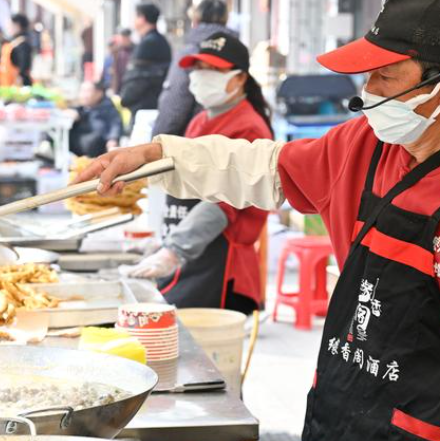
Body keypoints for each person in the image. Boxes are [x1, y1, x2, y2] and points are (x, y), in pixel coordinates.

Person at [75, 0, 440, 438]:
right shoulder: (362, 144)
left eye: (386, 76)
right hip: (342, 402)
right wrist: (156, 155)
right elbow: (263, 167)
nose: (370, 91)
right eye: (368, 74)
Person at [120, 33, 273, 314]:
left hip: (220, 262)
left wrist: (174, 250)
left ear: (240, 78)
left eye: (213, 69)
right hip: (190, 253)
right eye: (198, 68)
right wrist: (164, 240)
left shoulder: (249, 128)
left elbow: (224, 203)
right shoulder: (200, 120)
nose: (202, 76)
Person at [152, 0, 236, 137]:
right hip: (228, 135)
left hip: (192, 139)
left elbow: (175, 102)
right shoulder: (236, 53)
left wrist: (159, 139)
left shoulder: (190, 52)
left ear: (195, 20)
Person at [120, 4, 171, 124]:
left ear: (142, 19)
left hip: (144, 107)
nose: (133, 20)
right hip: (151, 104)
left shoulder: (149, 43)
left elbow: (138, 78)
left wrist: (125, 98)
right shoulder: (158, 40)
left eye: (135, 17)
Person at [68, 81, 122, 158]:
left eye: (87, 91)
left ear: (99, 93)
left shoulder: (107, 107)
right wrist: (72, 112)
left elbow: (115, 124)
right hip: (77, 147)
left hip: (97, 147)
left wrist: (113, 139)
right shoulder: (80, 109)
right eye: (82, 91)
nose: (83, 95)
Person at [0, 14, 32, 87]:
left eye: (10, 25)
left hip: (17, 85)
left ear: (17, 26)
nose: (8, 28)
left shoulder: (22, 44)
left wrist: (20, 77)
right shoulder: (12, 42)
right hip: (7, 84)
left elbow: (24, 66)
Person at [112, 28, 134, 95]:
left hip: (131, 82)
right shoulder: (116, 51)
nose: (124, 40)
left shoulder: (135, 49)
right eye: (122, 38)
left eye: (126, 38)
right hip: (119, 83)